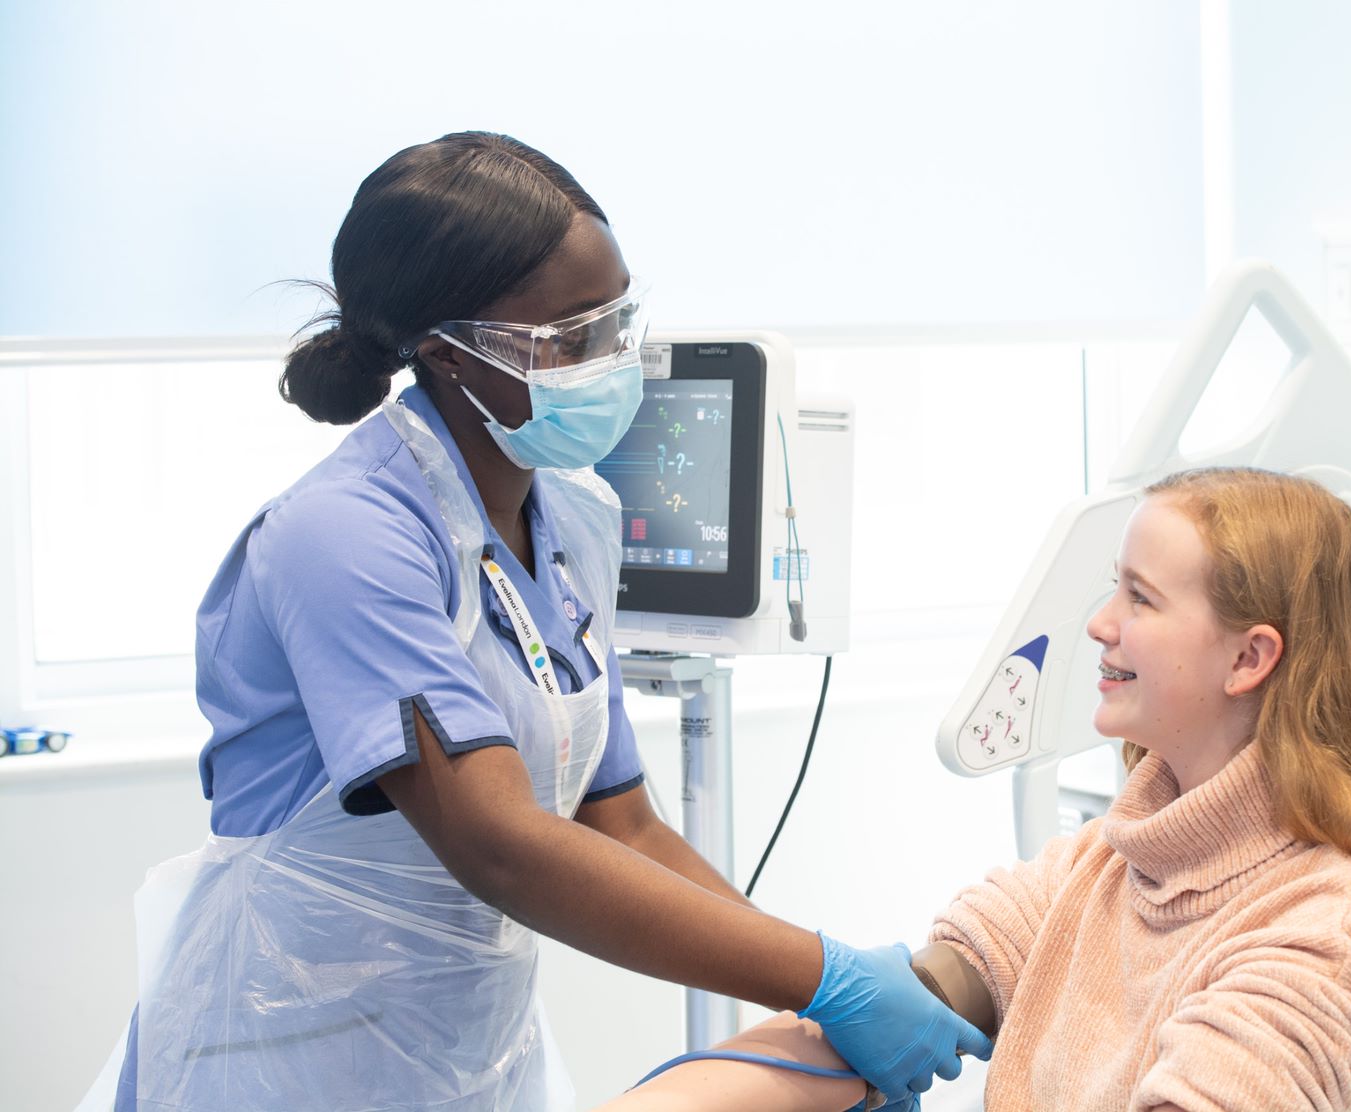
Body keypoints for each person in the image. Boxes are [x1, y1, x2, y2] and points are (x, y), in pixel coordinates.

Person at [91, 131, 988, 1112]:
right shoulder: (344, 536)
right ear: (446, 356)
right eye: (570, 341)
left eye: (619, 320)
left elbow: (627, 827)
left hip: (461, 1048)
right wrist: (824, 975)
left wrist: (817, 1002)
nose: (612, 359)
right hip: (280, 1051)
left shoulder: (576, 516)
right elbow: (502, 842)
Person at [594, 467, 1351, 1112]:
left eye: (1140, 597)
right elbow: (897, 1008)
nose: (1099, 624)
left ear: (1249, 657)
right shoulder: (1110, 863)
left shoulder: (1325, 931)